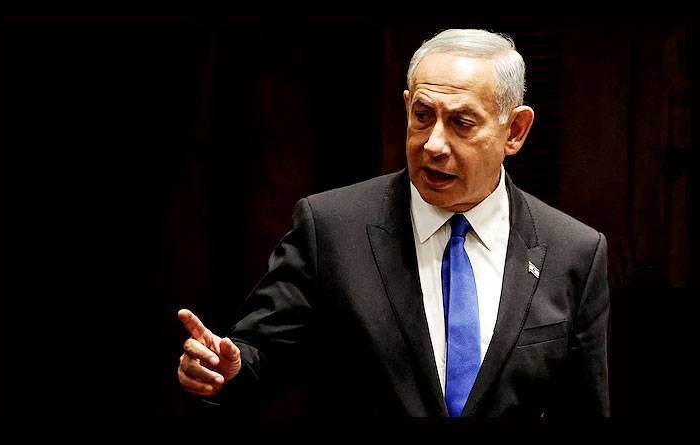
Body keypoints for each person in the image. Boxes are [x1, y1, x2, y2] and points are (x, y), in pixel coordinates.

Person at [177, 29, 610, 416]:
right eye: (422, 116)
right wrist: (225, 372)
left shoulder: (574, 252)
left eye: (461, 123)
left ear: (514, 130)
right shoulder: (331, 229)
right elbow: (258, 360)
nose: (434, 144)